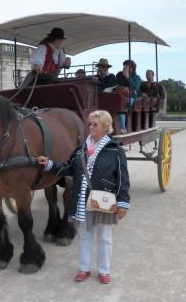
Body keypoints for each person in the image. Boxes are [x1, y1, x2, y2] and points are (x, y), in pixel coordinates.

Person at [37, 110, 130, 284]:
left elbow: (123, 179)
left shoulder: (115, 150)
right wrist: (49, 164)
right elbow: (67, 169)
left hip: (103, 201)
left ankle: (104, 271)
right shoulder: (80, 150)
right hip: (81, 201)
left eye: (95, 124)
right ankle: (84, 269)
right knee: (84, 236)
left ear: (105, 126)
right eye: (90, 124)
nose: (91, 127)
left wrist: (123, 203)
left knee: (104, 237)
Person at [116, 60, 142, 133]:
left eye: (126, 67)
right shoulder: (120, 75)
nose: (124, 68)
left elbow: (135, 87)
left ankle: (123, 128)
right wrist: (123, 76)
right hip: (119, 96)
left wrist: (128, 77)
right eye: (124, 66)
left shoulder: (137, 77)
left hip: (131, 98)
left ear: (132, 68)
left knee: (122, 106)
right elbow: (117, 84)